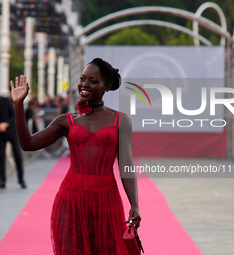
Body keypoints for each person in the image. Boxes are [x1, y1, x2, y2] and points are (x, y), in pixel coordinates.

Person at [11, 58, 141, 254]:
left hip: (106, 201)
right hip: (71, 199)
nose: (84, 84)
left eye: (93, 80)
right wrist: (18, 106)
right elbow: (28, 144)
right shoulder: (66, 120)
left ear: (107, 86)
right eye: (82, 79)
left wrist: (135, 204)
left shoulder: (121, 121)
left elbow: (126, 165)